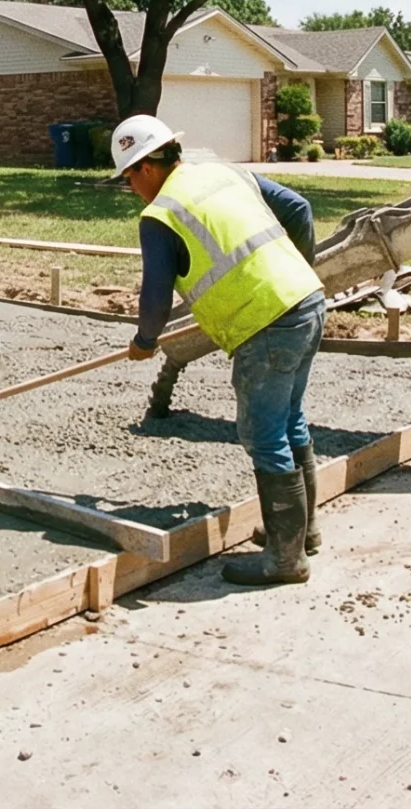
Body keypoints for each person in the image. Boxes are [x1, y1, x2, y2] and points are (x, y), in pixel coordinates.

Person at [111, 112, 325, 586]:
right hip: (307, 300)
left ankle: (285, 561)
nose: (131, 188)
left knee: (264, 432)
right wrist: (294, 276)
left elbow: (155, 297)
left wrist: (145, 342)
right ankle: (300, 534)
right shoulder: (224, 171)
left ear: (145, 167)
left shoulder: (160, 214)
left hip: (265, 322)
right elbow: (299, 209)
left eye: (128, 178)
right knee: (290, 419)